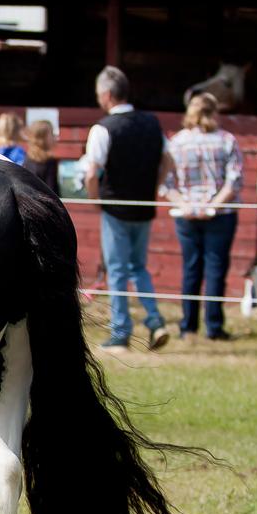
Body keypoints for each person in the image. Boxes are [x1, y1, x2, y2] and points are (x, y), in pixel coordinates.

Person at [83, 65, 172, 350]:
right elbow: (168, 162)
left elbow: (90, 172)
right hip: (143, 206)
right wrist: (154, 190)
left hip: (115, 208)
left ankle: (121, 332)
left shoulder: (103, 128)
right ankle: (155, 320)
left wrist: (96, 201)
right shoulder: (152, 123)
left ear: (108, 95)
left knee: (118, 270)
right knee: (139, 267)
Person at [161, 93, 243, 341]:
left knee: (191, 268)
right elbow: (234, 181)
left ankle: (188, 326)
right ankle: (214, 326)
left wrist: (186, 204)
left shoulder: (176, 143)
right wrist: (212, 206)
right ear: (214, 112)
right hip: (220, 214)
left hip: (186, 214)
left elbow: (165, 183)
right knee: (216, 269)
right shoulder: (227, 141)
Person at [21, 119, 60, 194]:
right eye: (52, 134)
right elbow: (52, 191)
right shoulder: (49, 161)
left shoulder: (27, 159)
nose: (55, 137)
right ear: (42, 139)